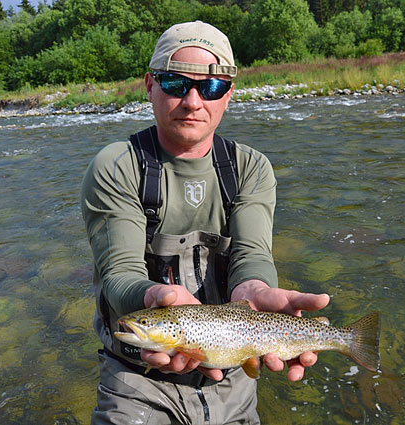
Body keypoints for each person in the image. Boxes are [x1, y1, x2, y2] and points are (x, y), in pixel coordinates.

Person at [81, 21, 330, 425]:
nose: (193, 101)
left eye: (211, 86)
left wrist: (257, 289)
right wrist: (154, 298)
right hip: (134, 379)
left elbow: (251, 256)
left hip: (233, 375)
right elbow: (120, 275)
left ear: (228, 94)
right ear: (150, 84)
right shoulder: (118, 166)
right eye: (176, 83)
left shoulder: (249, 168)